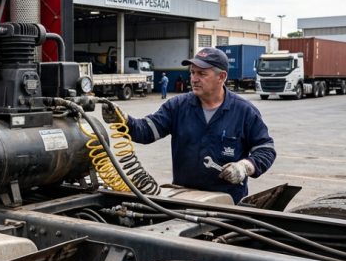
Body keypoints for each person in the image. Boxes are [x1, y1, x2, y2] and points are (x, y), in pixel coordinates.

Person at [102, 47, 276, 204]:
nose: (194, 79)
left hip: (227, 205)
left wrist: (245, 166)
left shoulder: (244, 112)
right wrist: (123, 120)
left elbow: (266, 149)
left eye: (201, 74)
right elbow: (147, 130)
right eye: (192, 73)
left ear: (221, 77)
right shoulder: (177, 106)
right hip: (184, 200)